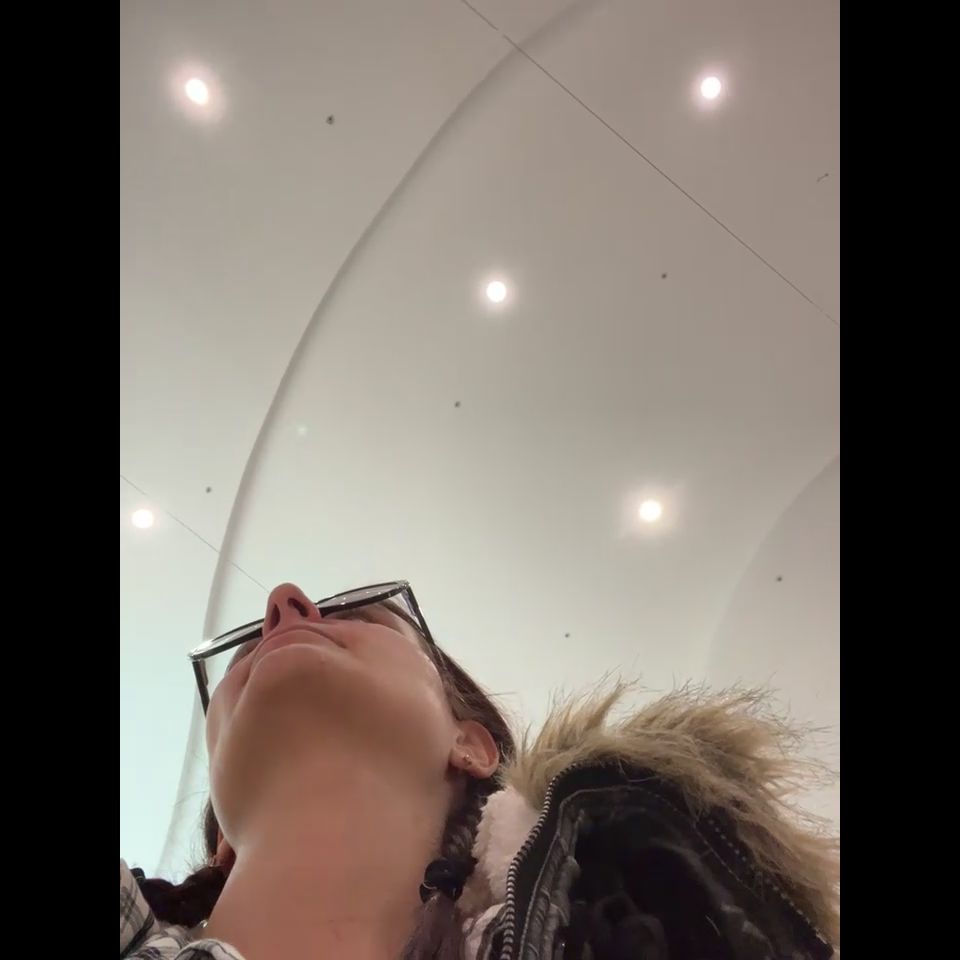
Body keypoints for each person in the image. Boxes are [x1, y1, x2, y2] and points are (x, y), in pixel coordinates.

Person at [120, 581, 839, 960]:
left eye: (359, 617)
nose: (284, 601)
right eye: (243, 653)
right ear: (220, 840)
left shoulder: (667, 917)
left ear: (472, 745)